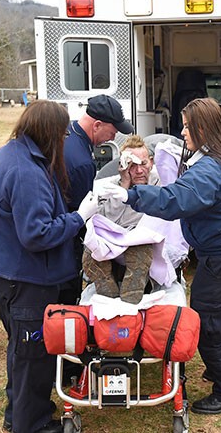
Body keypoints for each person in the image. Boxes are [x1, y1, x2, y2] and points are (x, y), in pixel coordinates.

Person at [102, 97, 221, 415]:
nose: (183, 131)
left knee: (207, 318)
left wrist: (131, 195)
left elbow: (175, 200)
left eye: (188, 126)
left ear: (203, 128)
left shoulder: (210, 169)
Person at [0, 100, 99, 433]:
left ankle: (20, 412)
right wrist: (81, 216)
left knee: (20, 347)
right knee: (32, 351)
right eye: (62, 133)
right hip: (23, 275)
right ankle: (32, 424)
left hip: (6, 269)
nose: (65, 140)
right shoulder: (26, 171)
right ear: (49, 132)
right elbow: (37, 233)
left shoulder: (14, 152)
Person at [61, 94, 133, 304]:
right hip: (67, 244)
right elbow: (81, 214)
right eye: (112, 132)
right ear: (97, 125)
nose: (112, 138)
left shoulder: (69, 133)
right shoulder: (81, 161)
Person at [84, 134, 159, 304]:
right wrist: (124, 185)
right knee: (90, 255)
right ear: (123, 165)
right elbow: (105, 221)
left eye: (143, 164)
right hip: (114, 240)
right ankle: (108, 298)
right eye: (132, 165)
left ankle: (130, 299)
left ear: (151, 162)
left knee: (140, 250)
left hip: (142, 240)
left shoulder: (160, 183)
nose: (139, 171)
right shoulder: (111, 185)